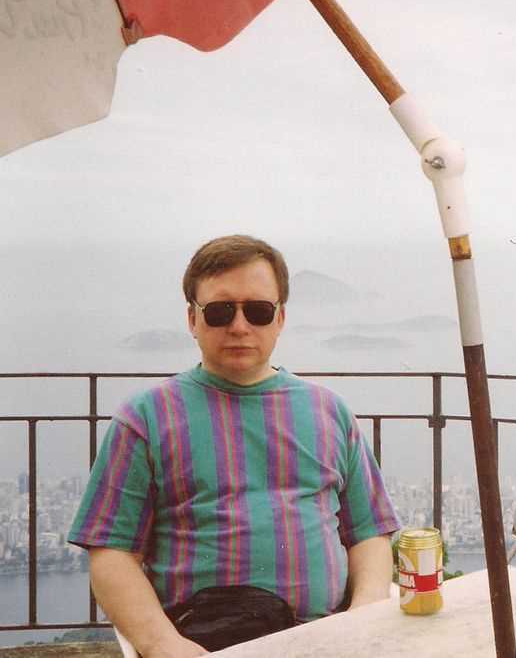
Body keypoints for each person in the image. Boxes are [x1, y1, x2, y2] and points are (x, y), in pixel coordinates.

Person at [68, 235, 401, 658]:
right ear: (192, 319)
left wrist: (363, 616)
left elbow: (368, 532)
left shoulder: (329, 411)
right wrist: (163, 644)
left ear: (280, 318)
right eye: (220, 311)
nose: (240, 327)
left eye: (258, 311)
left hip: (326, 639)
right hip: (202, 643)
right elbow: (111, 552)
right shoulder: (146, 418)